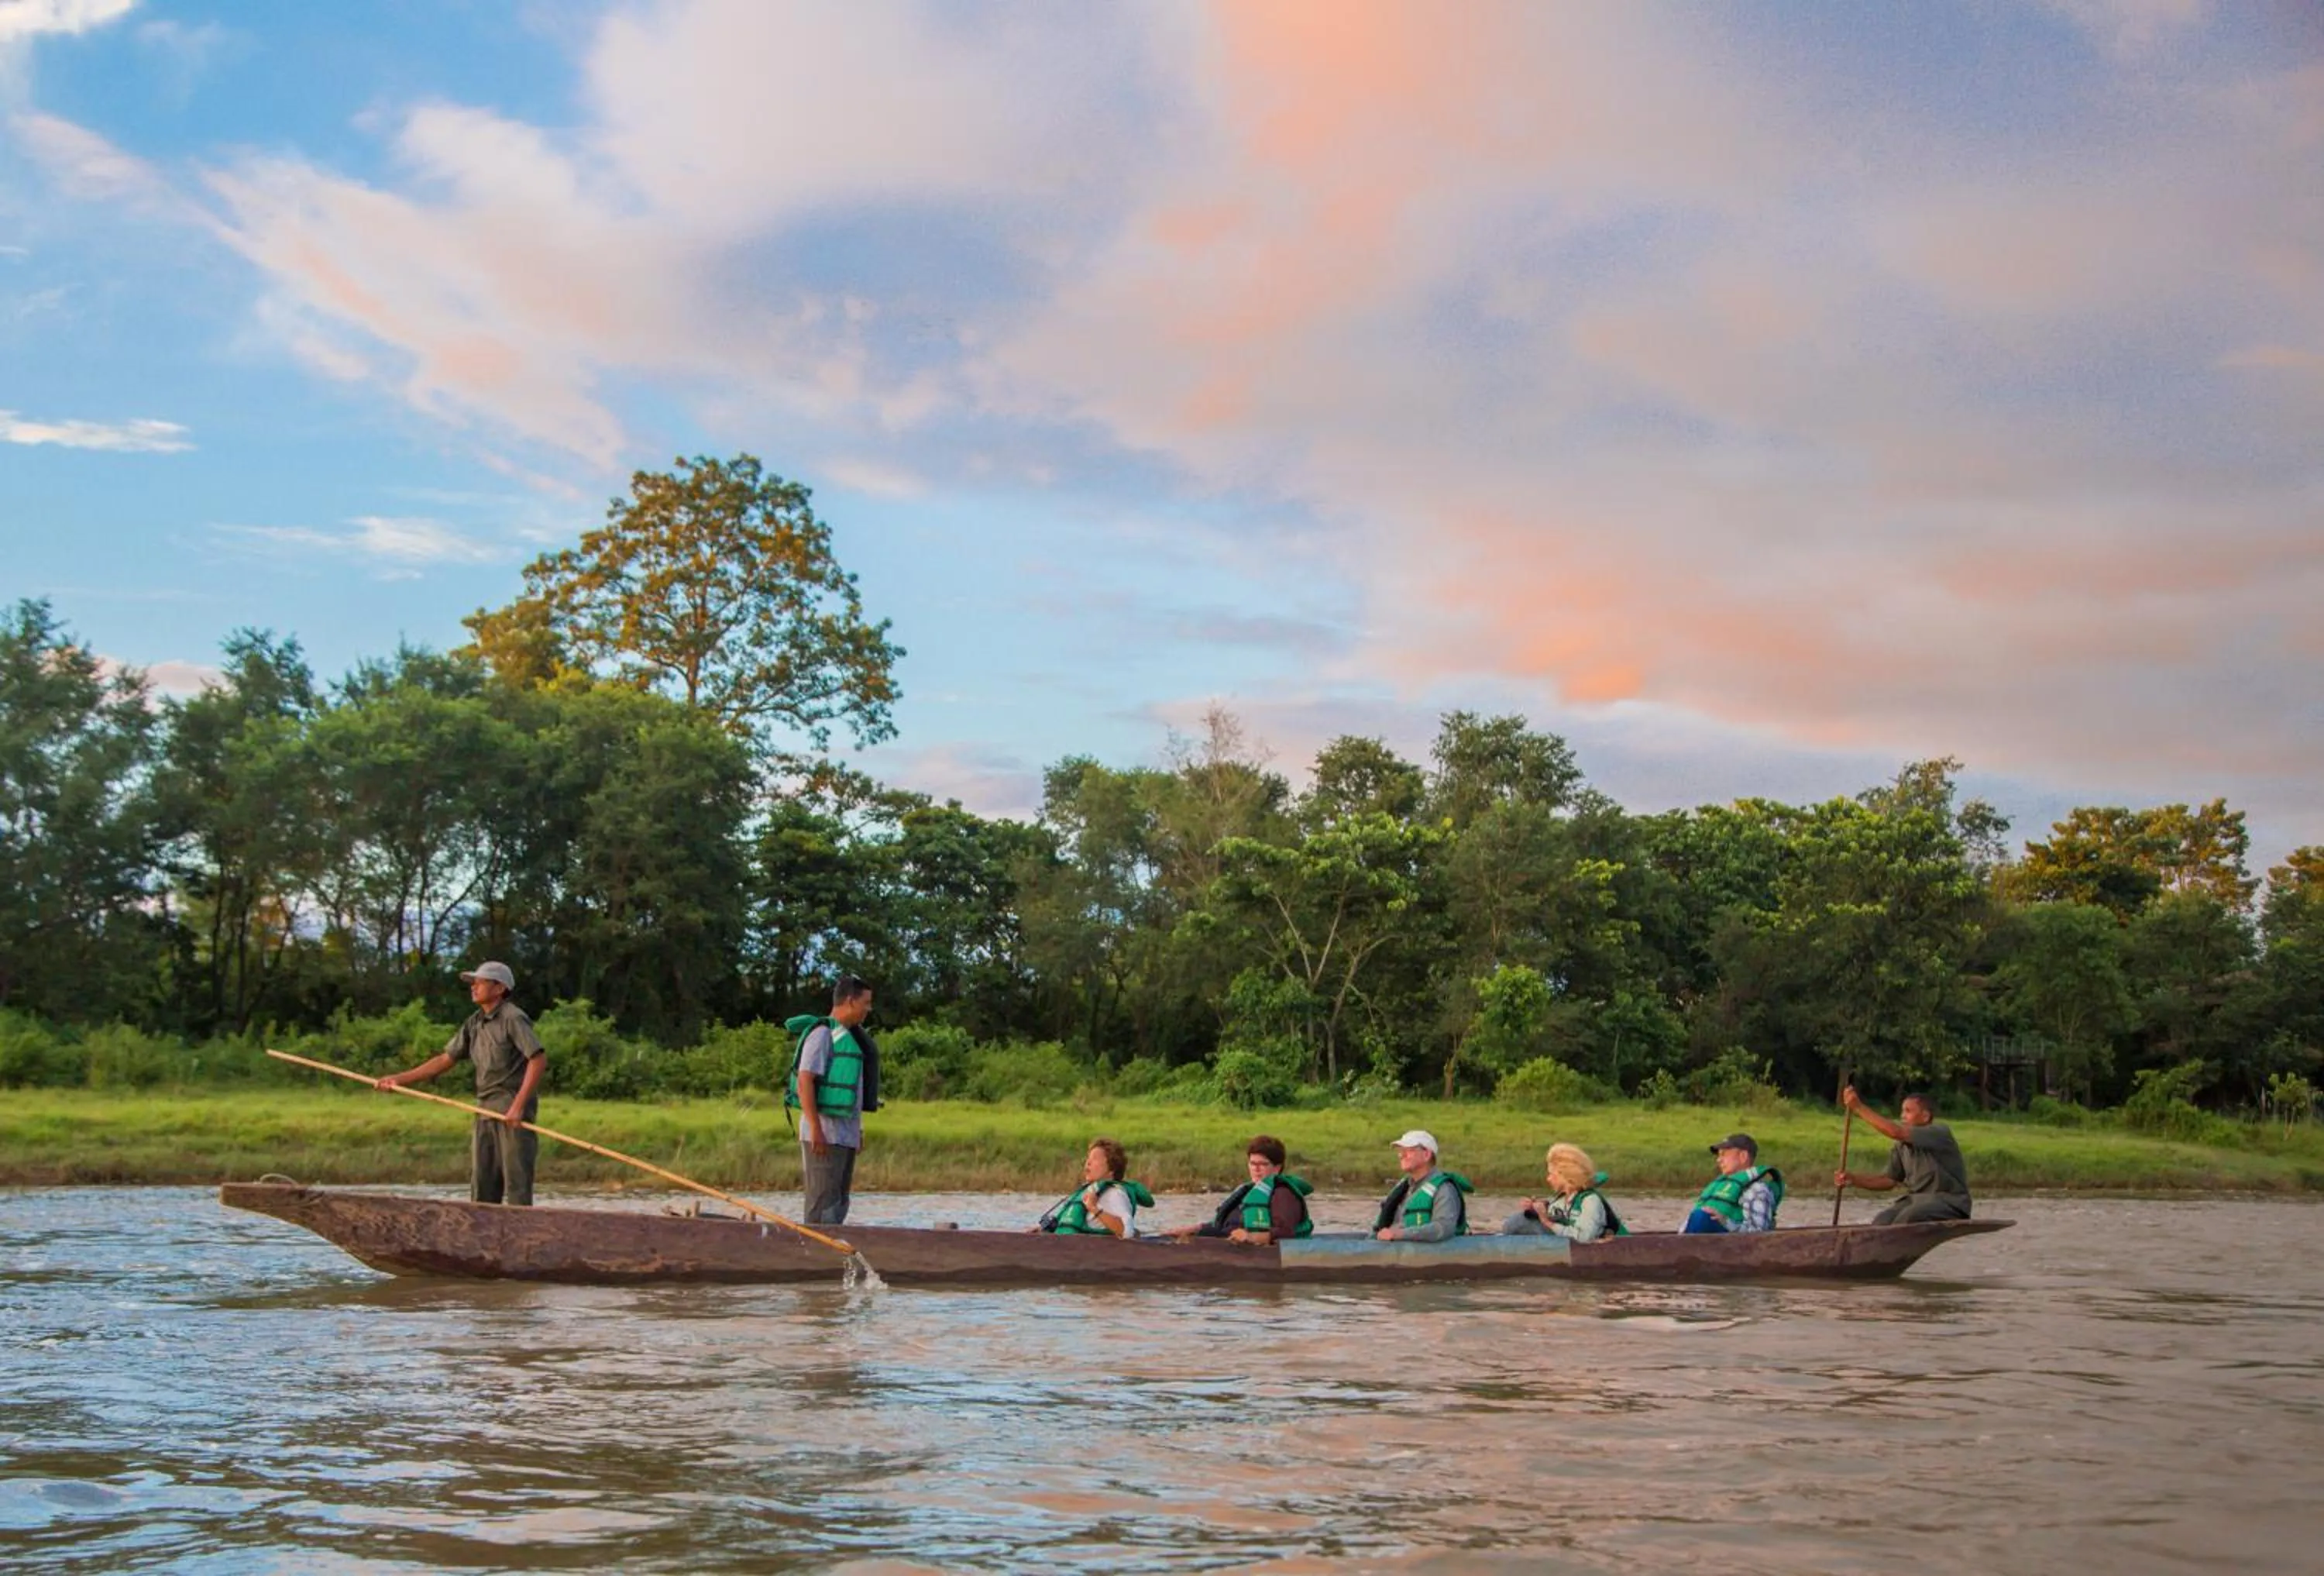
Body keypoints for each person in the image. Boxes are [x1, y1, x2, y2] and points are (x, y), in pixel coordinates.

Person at [376, 962, 547, 1206]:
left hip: (511, 1111)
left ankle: (521, 1239)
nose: (474, 987)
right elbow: (446, 1059)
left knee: (517, 1186)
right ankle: (482, 1238)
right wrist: (399, 1080)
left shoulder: (513, 1018)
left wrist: (518, 1107)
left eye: (480, 982)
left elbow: (538, 1059)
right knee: (483, 1186)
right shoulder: (474, 1023)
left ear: (499, 988)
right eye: (473, 983)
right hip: (484, 1110)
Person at [786, 975, 882, 1226]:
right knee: (821, 1204)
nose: (868, 1010)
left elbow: (854, 1093)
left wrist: (857, 1130)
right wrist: (815, 1128)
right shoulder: (822, 1034)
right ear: (850, 1001)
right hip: (824, 1135)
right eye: (866, 1003)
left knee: (838, 1203)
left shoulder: (850, 1039)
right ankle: (815, 1259)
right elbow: (805, 1080)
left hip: (845, 1136)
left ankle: (832, 1258)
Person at [1835, 1086, 1973, 1223]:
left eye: (1908, 1111)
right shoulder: (1901, 1146)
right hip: (1917, 1200)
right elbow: (1888, 1181)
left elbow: (1896, 1132)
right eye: (1902, 1111)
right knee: (1881, 1221)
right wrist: (1853, 1179)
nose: (1902, 1116)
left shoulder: (1939, 1132)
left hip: (1948, 1201)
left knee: (1907, 1218)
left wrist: (1858, 1108)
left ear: (1925, 1116)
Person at [1163, 1135, 1314, 1244]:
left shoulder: (1283, 1193)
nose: (1256, 1169)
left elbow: (1286, 1233)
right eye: (1252, 1164)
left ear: (1277, 1168)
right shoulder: (1249, 1191)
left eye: (1262, 1164)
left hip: (1265, 1254)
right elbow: (1223, 1226)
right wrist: (1191, 1229)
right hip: (1229, 1244)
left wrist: (1250, 1237)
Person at [1503, 1142, 1627, 1241]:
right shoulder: (1562, 1200)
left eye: (1551, 1174)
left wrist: (1547, 1222)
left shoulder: (1590, 1201)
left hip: (1605, 1248)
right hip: (1570, 1243)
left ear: (1566, 1175)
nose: (1548, 1179)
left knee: (1530, 1225)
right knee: (1518, 1221)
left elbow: (1584, 1238)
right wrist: (1538, 1210)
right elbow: (1557, 1216)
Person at [1037, 1137, 1153, 1237]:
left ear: (1112, 1168)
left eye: (1095, 1159)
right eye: (1088, 1159)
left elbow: (1127, 1232)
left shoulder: (1115, 1193)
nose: (1088, 1163)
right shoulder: (1086, 1191)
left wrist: (1094, 1208)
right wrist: (1042, 1232)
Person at [1373, 1129, 1473, 1241]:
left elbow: (1444, 1228)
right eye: (1401, 1151)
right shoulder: (1404, 1188)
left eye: (1409, 1150)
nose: (1401, 1155)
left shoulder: (1444, 1189)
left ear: (1426, 1155)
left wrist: (1399, 1234)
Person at [1683, 1133, 1783, 1234]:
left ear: (1743, 1156)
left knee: (1701, 1218)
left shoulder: (1757, 1189)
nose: (1719, 1160)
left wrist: (1725, 1222)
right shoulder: (1718, 1187)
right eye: (1718, 1155)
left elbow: (1758, 1234)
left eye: (1724, 1155)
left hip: (1737, 1247)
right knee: (1699, 1216)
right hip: (1706, 1243)